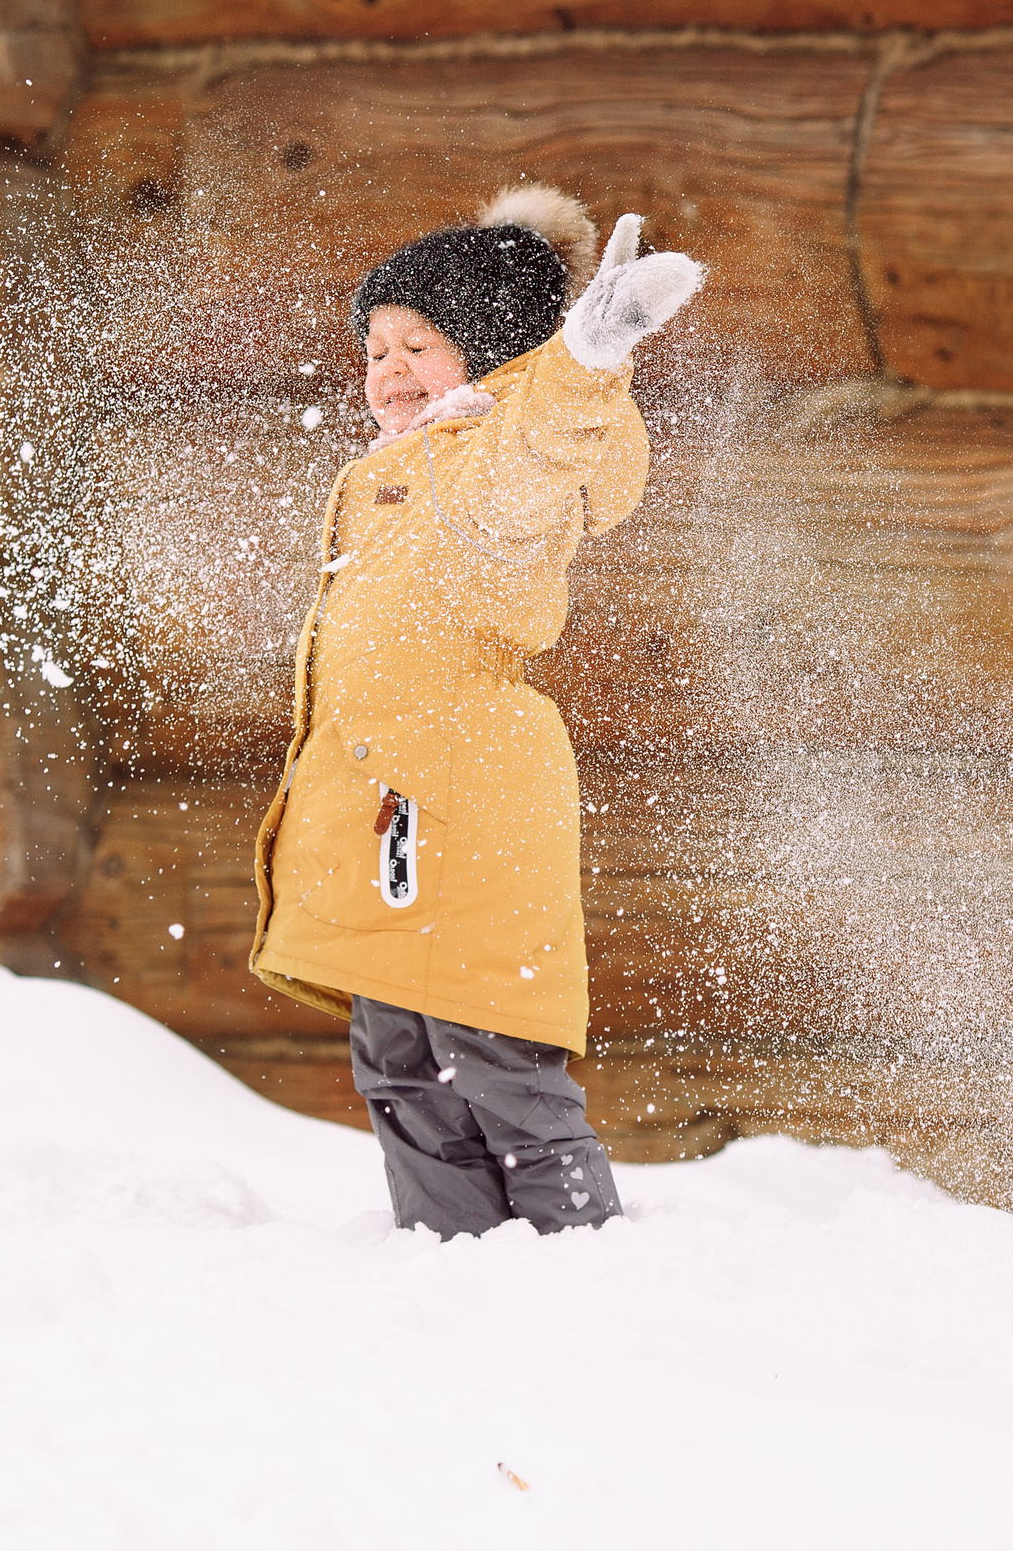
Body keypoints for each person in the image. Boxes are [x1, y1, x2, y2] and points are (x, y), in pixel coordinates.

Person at [250, 183, 705, 1237]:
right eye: (376, 350)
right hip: (383, 798)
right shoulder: (392, 476)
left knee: (492, 1049)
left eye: (420, 344)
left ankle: (576, 1259)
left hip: (459, 796)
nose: (389, 371)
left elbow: (552, 437)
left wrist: (588, 357)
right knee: (397, 1057)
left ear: (490, 349)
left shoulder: (494, 454)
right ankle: (448, 1255)